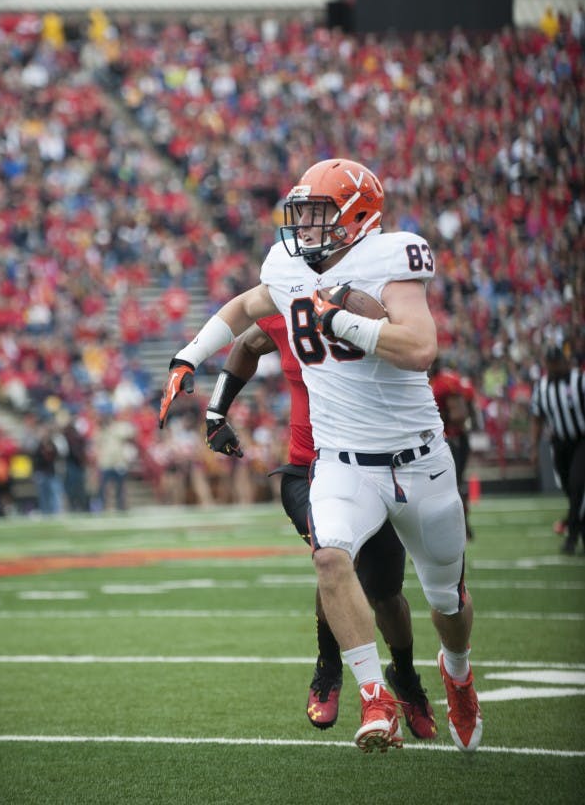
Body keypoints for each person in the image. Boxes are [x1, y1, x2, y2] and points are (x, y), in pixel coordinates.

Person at [159, 158, 482, 754]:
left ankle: (457, 673)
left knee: (446, 600)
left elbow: (420, 347)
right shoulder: (287, 268)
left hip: (419, 460)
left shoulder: (391, 259)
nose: (304, 227)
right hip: (340, 461)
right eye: (302, 214)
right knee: (330, 558)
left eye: (318, 215)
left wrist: (342, 321)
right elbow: (245, 309)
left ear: (357, 217)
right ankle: (374, 697)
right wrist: (188, 355)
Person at [205, 312, 436, 738]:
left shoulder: (368, 307)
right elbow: (247, 342)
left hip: (371, 469)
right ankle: (329, 665)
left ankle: (404, 674)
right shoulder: (289, 307)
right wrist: (216, 411)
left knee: (386, 594)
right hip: (307, 470)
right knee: (334, 555)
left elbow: (417, 353)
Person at [530, 345, 585, 555]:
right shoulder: (542, 387)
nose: (554, 367)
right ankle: (579, 528)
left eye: (556, 363)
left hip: (581, 441)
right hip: (560, 444)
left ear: (564, 361)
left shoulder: (580, 380)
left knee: (577, 485)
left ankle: (571, 537)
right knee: (570, 490)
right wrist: (534, 448)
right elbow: (537, 418)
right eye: (550, 363)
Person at [429, 358, 479, 540]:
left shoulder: (444, 383)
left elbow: (459, 414)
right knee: (451, 485)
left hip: (452, 438)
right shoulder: (439, 380)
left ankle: (460, 526)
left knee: (451, 485)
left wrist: (439, 422)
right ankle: (461, 525)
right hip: (450, 439)